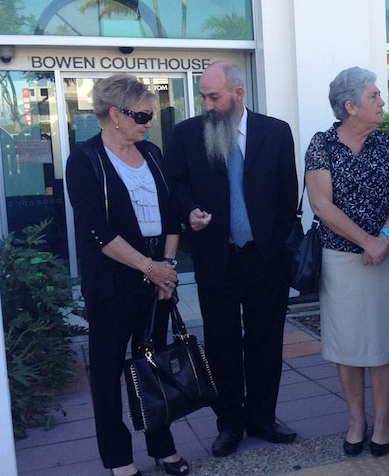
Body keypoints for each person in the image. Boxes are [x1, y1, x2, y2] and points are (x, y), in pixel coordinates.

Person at [163, 61, 299, 457]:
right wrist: (189, 212)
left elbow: (286, 193)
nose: (207, 103)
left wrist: (274, 245)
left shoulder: (276, 132)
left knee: (266, 341)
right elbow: (175, 185)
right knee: (221, 344)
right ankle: (229, 424)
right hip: (215, 258)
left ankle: (262, 417)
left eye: (214, 96)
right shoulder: (188, 134)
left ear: (238, 94)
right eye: (204, 96)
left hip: (264, 258)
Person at [66, 74, 188, 476]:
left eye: (150, 115)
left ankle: (162, 445)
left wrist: (167, 268)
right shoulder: (85, 160)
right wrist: (150, 268)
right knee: (106, 371)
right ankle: (119, 459)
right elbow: (97, 231)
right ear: (114, 114)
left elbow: (171, 214)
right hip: (113, 281)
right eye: (140, 115)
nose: (148, 122)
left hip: (157, 277)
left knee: (153, 363)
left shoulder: (151, 152)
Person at [305, 66, 389, 458]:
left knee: (384, 343)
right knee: (348, 345)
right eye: (374, 96)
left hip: (385, 259)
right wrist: (366, 241)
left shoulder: (387, 143)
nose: (382, 101)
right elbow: (321, 204)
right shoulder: (321, 144)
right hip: (341, 261)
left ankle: (382, 422)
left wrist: (383, 238)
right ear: (351, 106)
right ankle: (357, 421)